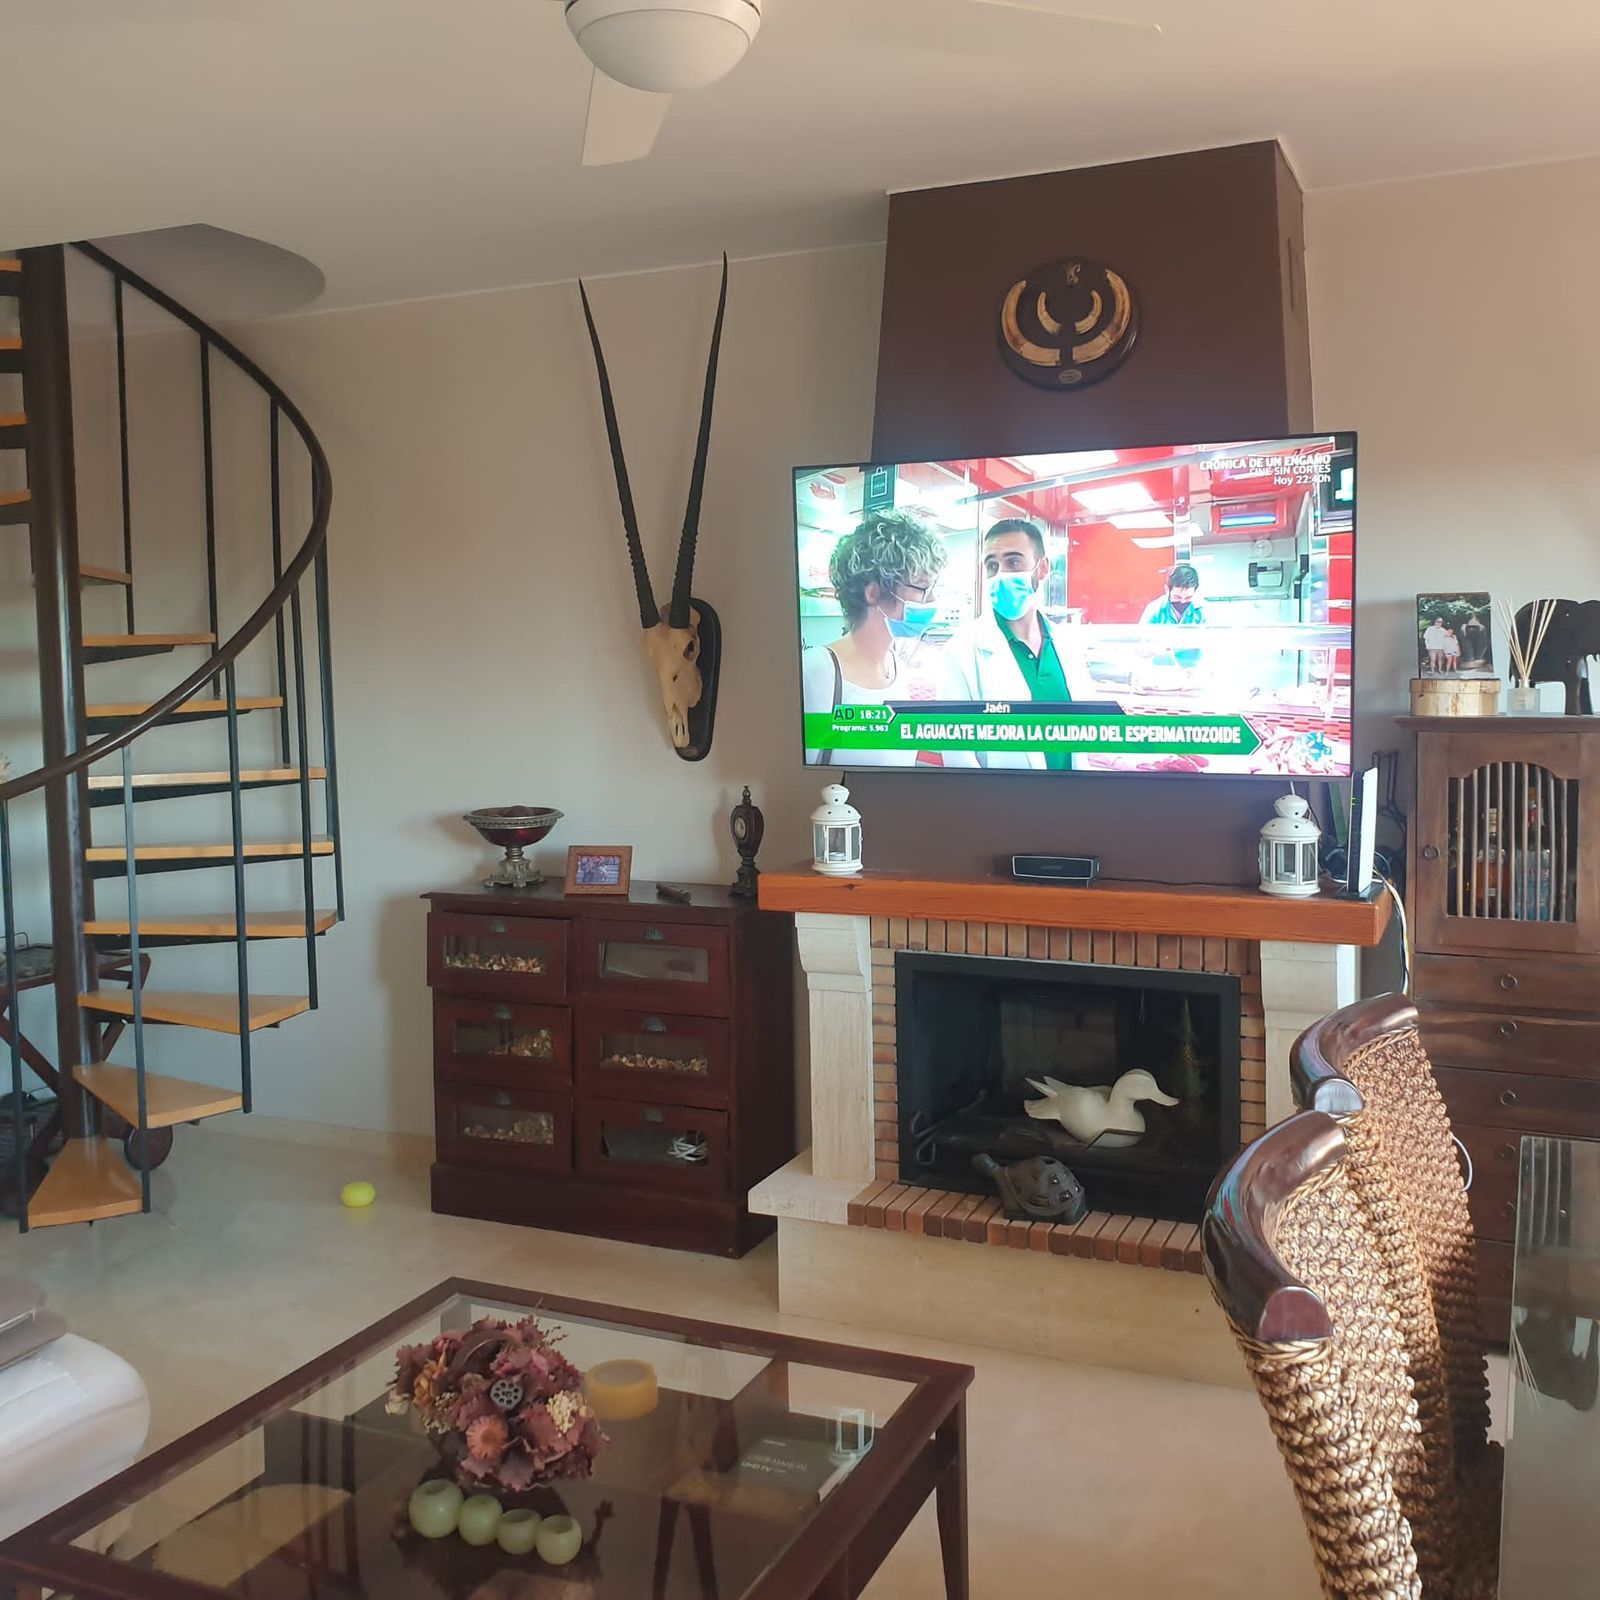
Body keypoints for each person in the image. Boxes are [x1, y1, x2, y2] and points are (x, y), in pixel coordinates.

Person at [800, 510, 974, 768]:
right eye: (923, 588)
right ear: (873, 593)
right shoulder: (815, 672)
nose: (933, 600)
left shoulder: (898, 670)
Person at [944, 517, 1082, 771]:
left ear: (1042, 568)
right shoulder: (961, 651)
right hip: (1002, 796)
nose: (1001, 575)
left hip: (1076, 793)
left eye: (1013, 562)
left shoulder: (1066, 644)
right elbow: (958, 758)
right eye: (992, 565)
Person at [1140, 563, 1206, 669]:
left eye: (1188, 598)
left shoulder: (1204, 610)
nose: (1182, 601)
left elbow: (1212, 644)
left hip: (1194, 670)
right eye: (1177, 597)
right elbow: (1141, 643)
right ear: (1167, 589)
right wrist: (1154, 649)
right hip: (1162, 670)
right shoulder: (1154, 609)